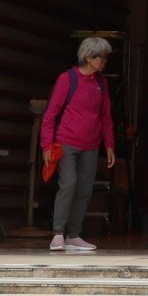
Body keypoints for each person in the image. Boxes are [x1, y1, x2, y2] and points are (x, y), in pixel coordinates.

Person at [39, 35, 120, 254]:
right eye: (100, 57)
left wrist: (109, 144)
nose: (104, 61)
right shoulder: (68, 79)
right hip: (66, 143)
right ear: (89, 57)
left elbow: (106, 117)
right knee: (68, 185)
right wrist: (47, 145)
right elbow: (51, 114)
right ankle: (58, 233)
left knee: (84, 189)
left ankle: (73, 235)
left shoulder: (101, 83)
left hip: (91, 146)